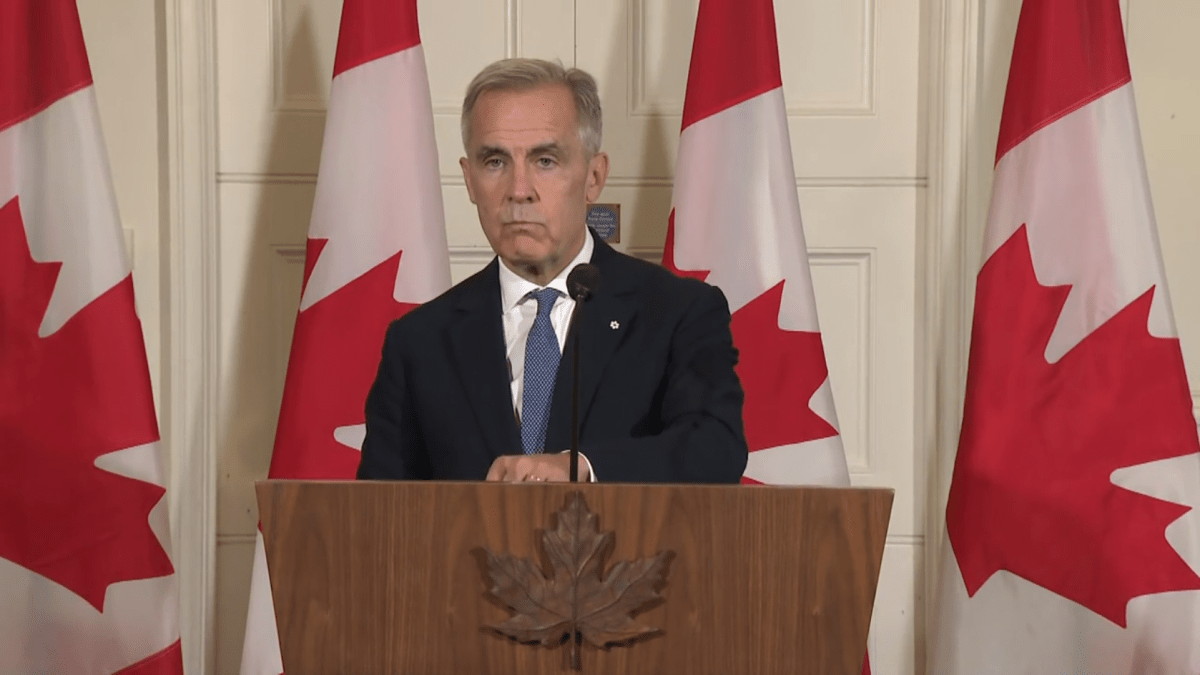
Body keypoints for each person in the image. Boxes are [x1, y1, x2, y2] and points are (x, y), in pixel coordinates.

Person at [356, 58, 747, 484]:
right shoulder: (419, 341)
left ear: (594, 177)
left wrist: (581, 468)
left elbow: (715, 447)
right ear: (469, 180)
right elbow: (380, 517)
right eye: (495, 162)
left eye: (545, 160)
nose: (518, 190)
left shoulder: (677, 313)